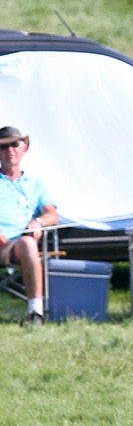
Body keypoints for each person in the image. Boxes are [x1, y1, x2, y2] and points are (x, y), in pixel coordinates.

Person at [0, 126, 59, 326]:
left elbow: (52, 214)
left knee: (28, 244)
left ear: (23, 148)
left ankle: (36, 314)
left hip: (17, 244)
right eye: (4, 146)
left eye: (14, 144)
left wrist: (38, 221)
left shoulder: (36, 184)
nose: (10, 150)